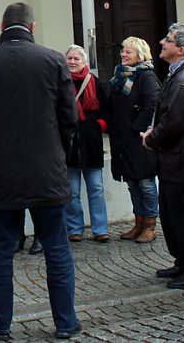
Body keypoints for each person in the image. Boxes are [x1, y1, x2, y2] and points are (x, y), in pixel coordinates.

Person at [0, 2, 81, 341]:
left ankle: (0, 322)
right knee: (57, 249)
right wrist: (59, 154)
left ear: (1, 25)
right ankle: (66, 322)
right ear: (32, 26)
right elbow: (69, 119)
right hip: (47, 172)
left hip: (2, 173)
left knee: (0, 250)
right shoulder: (54, 60)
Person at [141, 23, 184, 290]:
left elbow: (174, 123)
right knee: (172, 214)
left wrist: (151, 139)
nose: (161, 42)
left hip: (182, 159)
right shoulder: (179, 74)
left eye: (168, 40)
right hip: (175, 158)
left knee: (182, 215)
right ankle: (183, 261)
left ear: (180, 49)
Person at [109, 37, 161, 244]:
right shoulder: (119, 77)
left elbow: (153, 104)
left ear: (140, 55)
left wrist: (137, 127)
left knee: (146, 183)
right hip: (123, 140)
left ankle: (150, 224)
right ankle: (138, 222)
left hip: (139, 139)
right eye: (123, 51)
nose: (123, 54)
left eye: (128, 52)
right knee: (132, 182)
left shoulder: (146, 76)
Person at [64, 45, 110, 243]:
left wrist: (98, 126)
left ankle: (100, 229)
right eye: (69, 58)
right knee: (72, 192)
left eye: (76, 59)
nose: (72, 62)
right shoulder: (62, 83)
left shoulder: (95, 83)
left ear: (84, 62)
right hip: (70, 144)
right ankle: (75, 228)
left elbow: (107, 110)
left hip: (91, 143)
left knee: (96, 188)